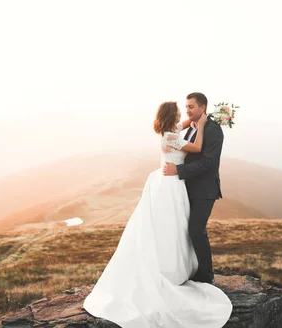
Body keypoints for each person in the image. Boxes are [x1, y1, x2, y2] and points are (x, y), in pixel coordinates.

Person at [82, 100, 232, 328]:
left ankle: (178, 266)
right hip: (170, 185)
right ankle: (168, 268)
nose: (184, 113)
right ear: (172, 116)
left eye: (188, 108)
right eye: (181, 111)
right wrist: (201, 125)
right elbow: (198, 148)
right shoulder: (170, 137)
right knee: (169, 226)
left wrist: (198, 118)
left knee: (177, 226)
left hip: (173, 184)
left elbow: (183, 124)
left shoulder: (172, 130)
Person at [163, 92, 223, 285]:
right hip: (186, 188)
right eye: (186, 107)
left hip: (204, 190)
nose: (187, 111)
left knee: (197, 231)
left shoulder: (213, 130)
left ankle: (206, 276)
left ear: (202, 108)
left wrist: (177, 170)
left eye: (191, 107)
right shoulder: (191, 127)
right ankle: (190, 269)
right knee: (185, 231)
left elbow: (208, 163)